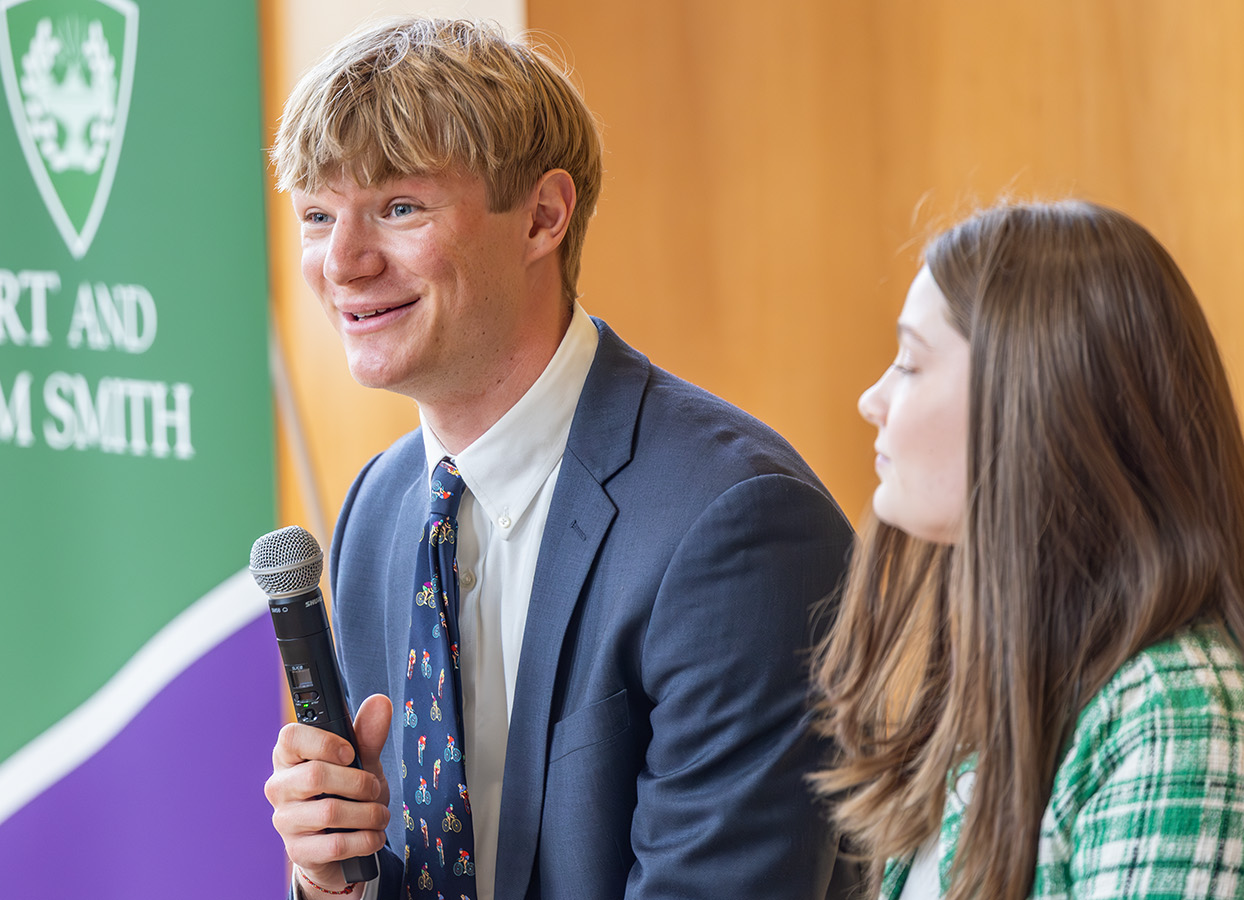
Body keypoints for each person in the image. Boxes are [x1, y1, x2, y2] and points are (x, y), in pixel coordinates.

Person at [263, 17, 856, 900]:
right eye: (317, 216)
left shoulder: (738, 525)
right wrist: (335, 882)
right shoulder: (378, 510)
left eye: (399, 208)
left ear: (543, 216)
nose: (341, 263)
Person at [817, 200, 1244, 900]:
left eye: (911, 364)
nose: (873, 399)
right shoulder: (996, 687)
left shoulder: (1176, 710)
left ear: (1034, 400)